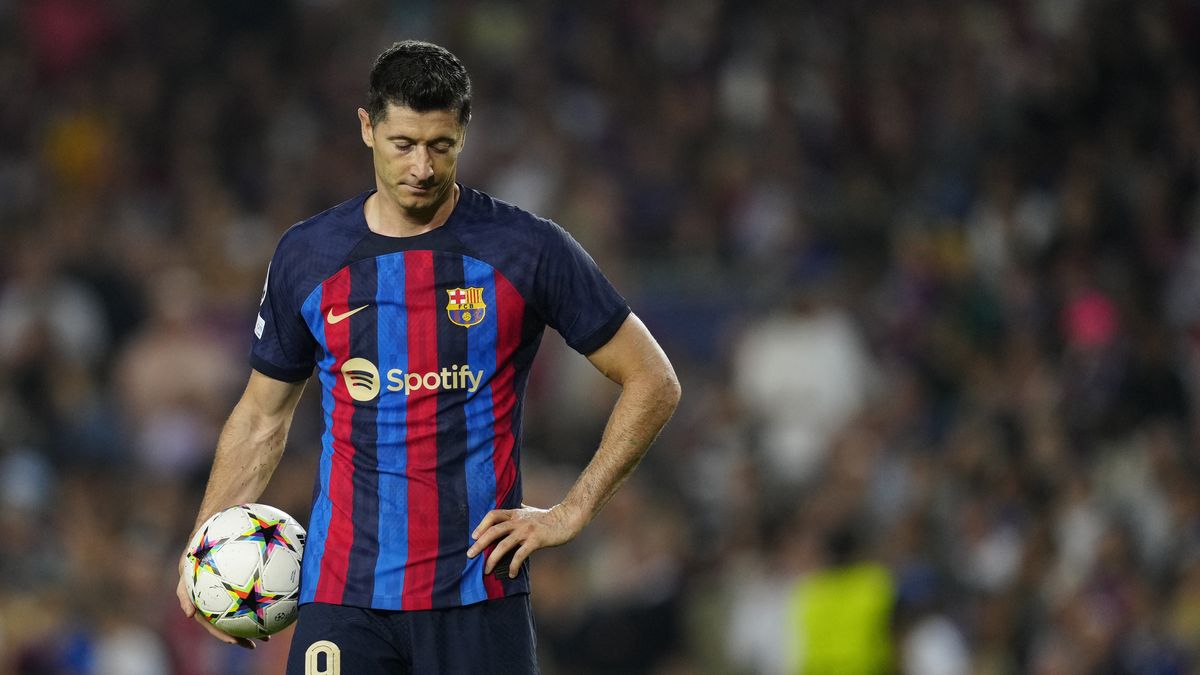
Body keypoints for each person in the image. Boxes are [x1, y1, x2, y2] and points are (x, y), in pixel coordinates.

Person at [175, 40, 681, 674]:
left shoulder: (527, 249)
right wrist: (206, 553)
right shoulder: (309, 255)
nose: (421, 166)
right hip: (345, 598)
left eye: (440, 145)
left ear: (464, 133)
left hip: (478, 600)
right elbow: (261, 419)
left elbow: (653, 379)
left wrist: (571, 511)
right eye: (403, 143)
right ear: (367, 127)